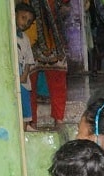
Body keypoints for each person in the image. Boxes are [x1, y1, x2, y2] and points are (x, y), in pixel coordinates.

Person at [24, 0, 69, 130]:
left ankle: (58, 118)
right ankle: (31, 120)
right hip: (30, 36)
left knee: (58, 75)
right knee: (28, 80)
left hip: (53, 36)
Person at [15, 3, 37, 132]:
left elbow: (29, 59)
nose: (25, 23)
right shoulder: (9, 35)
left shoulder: (25, 39)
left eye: (29, 21)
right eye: (23, 17)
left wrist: (24, 74)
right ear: (15, 14)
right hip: (16, 72)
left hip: (23, 76)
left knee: (24, 106)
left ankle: (24, 131)